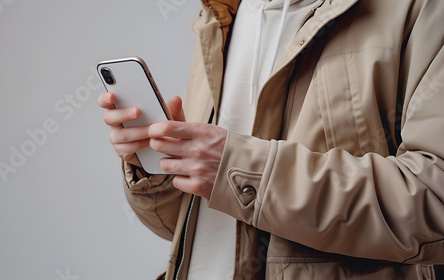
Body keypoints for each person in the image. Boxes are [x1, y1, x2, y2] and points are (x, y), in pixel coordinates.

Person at [98, 0, 444, 279]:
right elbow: (193, 224)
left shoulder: (422, 9)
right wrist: (163, 165)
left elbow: (434, 203)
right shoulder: (222, 16)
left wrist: (241, 169)